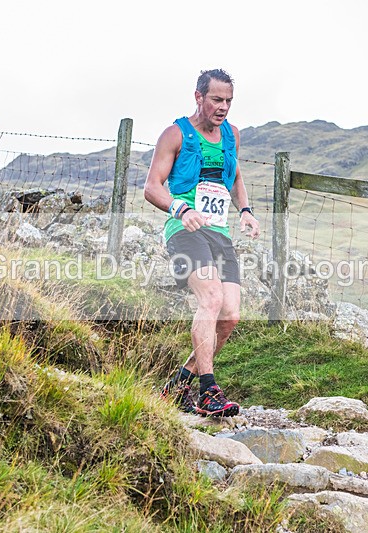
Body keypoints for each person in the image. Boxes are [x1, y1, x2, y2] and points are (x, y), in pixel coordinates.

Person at [144, 68, 260, 417]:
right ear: (199, 97)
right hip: (185, 230)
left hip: (219, 233)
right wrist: (180, 209)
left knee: (230, 315)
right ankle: (208, 391)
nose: (223, 107)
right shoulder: (175, 134)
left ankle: (177, 386)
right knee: (211, 298)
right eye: (216, 100)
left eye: (229, 101)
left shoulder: (231, 135)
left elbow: (235, 177)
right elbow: (152, 187)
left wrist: (245, 210)